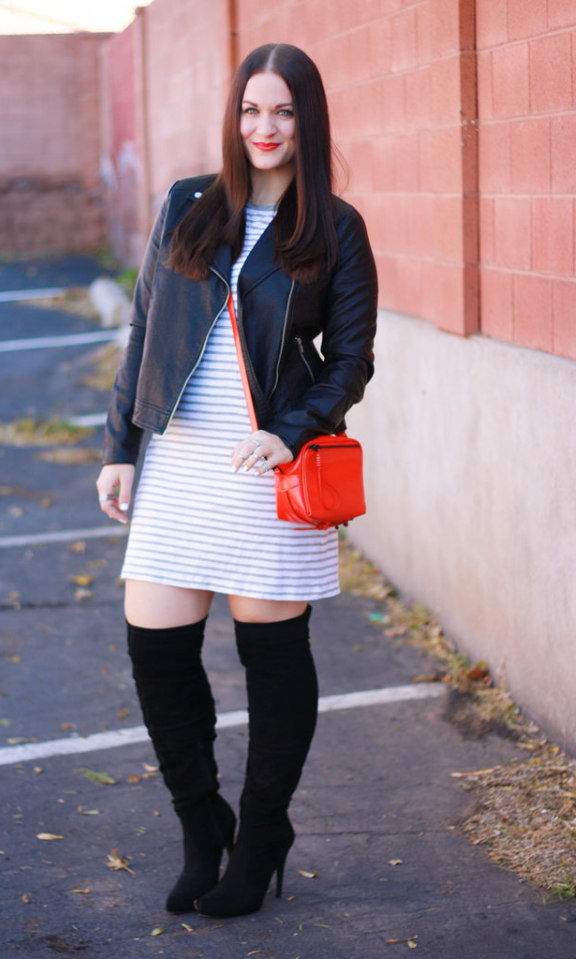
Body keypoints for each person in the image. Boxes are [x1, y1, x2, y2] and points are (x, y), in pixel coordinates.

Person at [96, 42, 377, 919]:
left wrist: (289, 432)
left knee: (272, 661)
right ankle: (201, 822)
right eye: (253, 110)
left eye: (285, 112)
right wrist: (119, 447)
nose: (266, 128)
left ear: (308, 121)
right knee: (156, 648)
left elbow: (352, 361)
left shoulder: (332, 227)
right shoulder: (187, 206)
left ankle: (260, 835)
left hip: (269, 472)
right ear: (234, 116)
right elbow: (144, 331)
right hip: (180, 460)